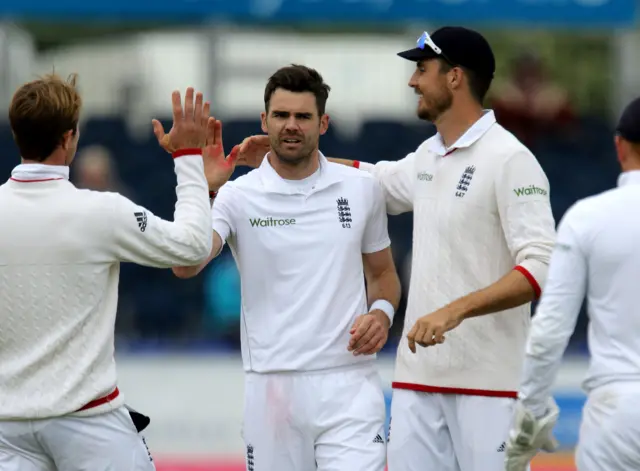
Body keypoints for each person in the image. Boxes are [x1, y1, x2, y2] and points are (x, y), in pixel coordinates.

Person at [236, 27, 557, 471]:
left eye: (421, 69)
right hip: (415, 385)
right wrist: (281, 156)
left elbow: (541, 267)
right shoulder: (428, 155)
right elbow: (371, 179)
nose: (412, 81)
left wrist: (454, 310)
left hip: (490, 385)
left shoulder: (510, 159)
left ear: (454, 78)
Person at [163, 64, 401, 471]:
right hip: (272, 389)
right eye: (281, 115)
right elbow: (185, 266)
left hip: (349, 385)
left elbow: (383, 276)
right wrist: (205, 189)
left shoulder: (362, 189)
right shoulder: (237, 196)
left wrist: (382, 313)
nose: (292, 126)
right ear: (264, 120)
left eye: (303, 117)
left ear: (323, 123)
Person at [0, 74, 215, 470]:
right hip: (89, 422)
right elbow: (194, 245)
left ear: (17, 134)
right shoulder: (102, 211)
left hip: (6, 426)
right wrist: (188, 156)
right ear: (69, 138)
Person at [505, 96, 640, 471]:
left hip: (617, 413)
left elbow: (550, 329)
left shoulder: (588, 218)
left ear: (619, 146)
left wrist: (529, 414)